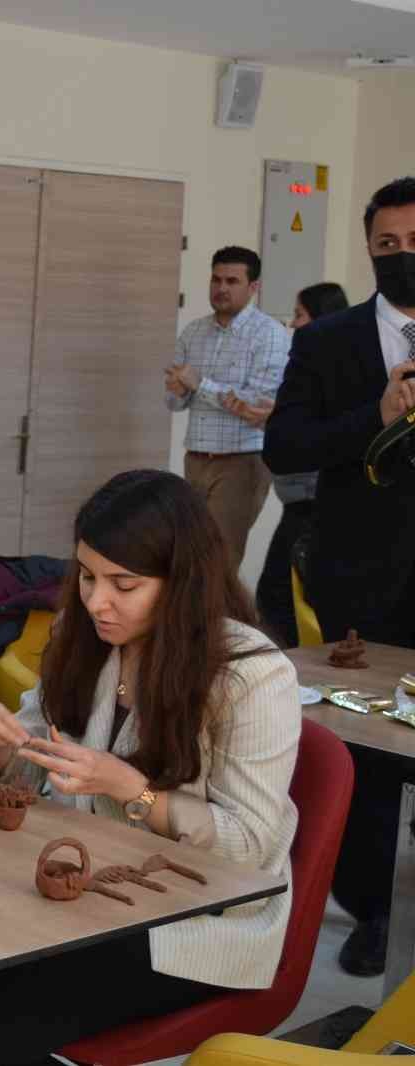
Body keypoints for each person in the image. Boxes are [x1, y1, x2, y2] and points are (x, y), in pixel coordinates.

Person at [0, 470, 299, 1066]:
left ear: (183, 581)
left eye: (124, 584)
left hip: (192, 919)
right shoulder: (88, 636)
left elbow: (249, 850)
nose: (97, 601)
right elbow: (40, 781)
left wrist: (132, 790)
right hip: (81, 889)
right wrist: (4, 754)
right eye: (89, 577)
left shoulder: (252, 676)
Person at [266, 176, 415, 975]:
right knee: (377, 752)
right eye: (387, 246)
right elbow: (284, 448)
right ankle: (370, 909)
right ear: (368, 251)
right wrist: (377, 418)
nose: (403, 258)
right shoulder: (327, 342)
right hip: (362, 574)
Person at [223, 281, 350, 646]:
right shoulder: (310, 366)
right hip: (297, 503)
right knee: (279, 597)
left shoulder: (336, 370)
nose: (292, 324)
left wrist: (276, 421)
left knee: (280, 597)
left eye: (299, 315)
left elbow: (326, 435)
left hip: (314, 506)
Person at [165, 246, 291, 572]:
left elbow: (255, 405)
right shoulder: (193, 331)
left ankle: (221, 622)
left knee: (220, 559)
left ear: (253, 287)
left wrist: (199, 384)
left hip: (241, 461)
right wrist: (179, 390)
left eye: (232, 281)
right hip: (195, 457)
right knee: (188, 554)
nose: (221, 288)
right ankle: (191, 622)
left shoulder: (270, 334)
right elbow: (175, 402)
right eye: (216, 279)